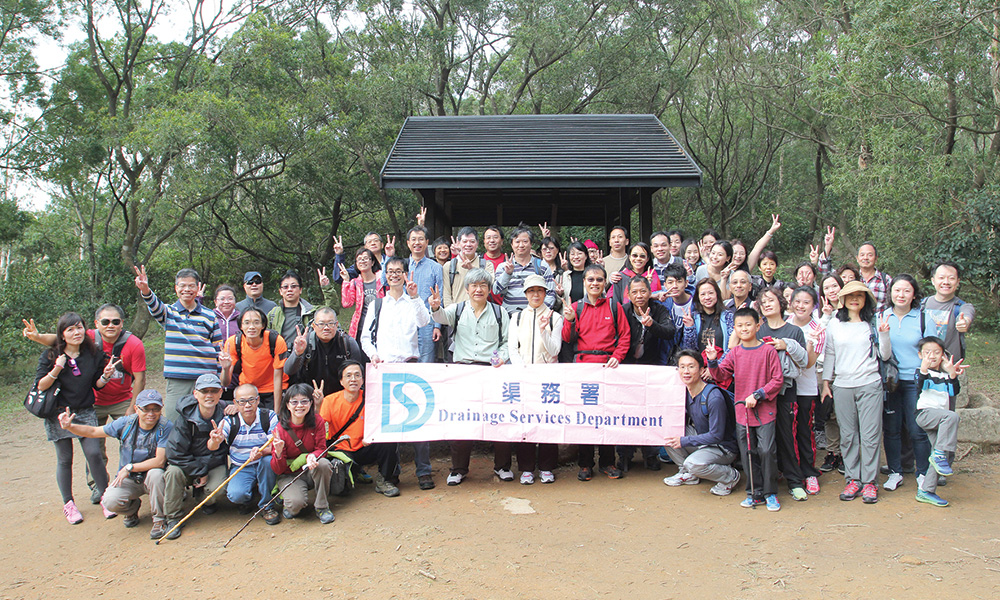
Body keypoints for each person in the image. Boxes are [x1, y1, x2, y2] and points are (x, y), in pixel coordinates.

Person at [23, 303, 147, 503]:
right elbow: (60, 339)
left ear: (122, 323)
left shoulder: (131, 344)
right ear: (97, 323)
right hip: (91, 402)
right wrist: (37, 337)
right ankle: (97, 487)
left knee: (134, 436)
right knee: (91, 451)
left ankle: (135, 479)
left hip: (119, 399)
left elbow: (140, 379)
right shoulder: (86, 337)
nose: (110, 325)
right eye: (105, 321)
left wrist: (132, 406)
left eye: (115, 321)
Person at [430, 268, 512, 484]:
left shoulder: (499, 312)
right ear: (467, 289)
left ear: (489, 289)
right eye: (474, 285)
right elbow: (440, 316)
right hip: (463, 372)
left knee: (499, 420)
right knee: (462, 420)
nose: (478, 289)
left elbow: (507, 341)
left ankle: (502, 467)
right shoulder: (457, 309)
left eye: (483, 285)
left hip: (492, 371)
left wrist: (501, 358)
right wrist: (435, 306)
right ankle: (458, 469)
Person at [35, 312, 118, 524]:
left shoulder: (93, 353)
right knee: (65, 459)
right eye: (70, 329)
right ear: (62, 334)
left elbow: (97, 385)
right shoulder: (51, 355)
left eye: (79, 327)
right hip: (59, 413)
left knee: (94, 454)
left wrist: (106, 376)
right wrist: (57, 368)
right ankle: (69, 504)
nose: (76, 333)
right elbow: (41, 386)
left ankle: (106, 497)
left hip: (85, 410)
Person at [56, 389, 173, 539]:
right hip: (129, 478)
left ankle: (159, 520)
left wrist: (130, 467)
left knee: (156, 474)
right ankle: (132, 509)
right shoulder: (126, 423)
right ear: (136, 409)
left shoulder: (165, 426)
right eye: (146, 409)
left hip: (151, 476)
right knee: (109, 501)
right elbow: (93, 432)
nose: (151, 413)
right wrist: (70, 427)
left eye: (156, 409)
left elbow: (159, 461)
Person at [362, 256, 436, 490]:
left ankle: (424, 471)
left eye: (398, 271)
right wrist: (373, 354)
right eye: (390, 271)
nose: (394, 275)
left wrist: (415, 297)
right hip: (384, 369)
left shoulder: (412, 300)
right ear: (385, 275)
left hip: (410, 366)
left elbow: (424, 322)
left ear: (405, 274)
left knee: (418, 419)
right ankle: (391, 473)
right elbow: (365, 337)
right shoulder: (377, 304)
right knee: (389, 424)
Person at [707, 307, 784, 511]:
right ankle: (753, 493)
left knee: (766, 450)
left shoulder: (768, 351)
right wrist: (712, 361)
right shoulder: (735, 353)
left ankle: (770, 493)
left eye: (748, 324)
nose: (744, 328)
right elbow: (721, 375)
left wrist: (759, 394)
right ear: (734, 329)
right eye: (740, 325)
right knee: (748, 452)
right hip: (743, 413)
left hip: (765, 411)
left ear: (758, 326)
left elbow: (777, 380)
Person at [562, 263, 630, 480]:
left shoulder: (614, 306)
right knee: (585, 417)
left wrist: (617, 356)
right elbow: (567, 338)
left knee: (606, 415)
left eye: (599, 279)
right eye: (590, 279)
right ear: (584, 282)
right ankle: (585, 464)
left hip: (608, 367)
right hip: (583, 367)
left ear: (605, 282)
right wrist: (569, 320)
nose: (595, 283)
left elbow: (625, 336)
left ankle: (608, 462)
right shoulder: (576, 307)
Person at [822, 281, 884, 504]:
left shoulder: (873, 323)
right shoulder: (834, 324)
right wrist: (826, 382)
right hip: (842, 385)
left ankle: (870, 482)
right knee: (848, 436)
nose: (855, 299)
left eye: (860, 295)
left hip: (870, 383)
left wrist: (884, 334)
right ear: (843, 299)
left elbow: (884, 354)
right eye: (850, 295)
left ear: (866, 299)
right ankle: (853, 479)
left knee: (870, 435)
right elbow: (830, 353)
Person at [134, 265, 221, 420]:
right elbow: (154, 305)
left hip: (206, 379)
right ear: (176, 288)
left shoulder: (209, 315)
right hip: (178, 379)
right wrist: (146, 290)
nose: (187, 289)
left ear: (198, 288)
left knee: (206, 421)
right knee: (175, 421)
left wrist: (219, 378)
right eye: (182, 285)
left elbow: (218, 348)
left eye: (191, 286)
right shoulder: (169, 313)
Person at [507, 274, 563, 484]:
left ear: (545, 293)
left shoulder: (554, 317)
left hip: (548, 378)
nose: (536, 294)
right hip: (524, 378)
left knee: (548, 421)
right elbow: (513, 348)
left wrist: (543, 331)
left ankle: (547, 467)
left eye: (539, 290)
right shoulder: (517, 317)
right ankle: (526, 468)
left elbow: (555, 350)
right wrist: (522, 371)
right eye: (531, 291)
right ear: (525, 294)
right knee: (525, 422)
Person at [662, 350, 741, 496]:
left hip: (723, 447)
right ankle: (687, 473)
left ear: (701, 370)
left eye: (691, 367)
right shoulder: (684, 392)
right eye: (682, 367)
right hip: (703, 440)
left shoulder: (713, 397)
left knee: (693, 463)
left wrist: (684, 441)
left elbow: (716, 435)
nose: (686, 371)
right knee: (668, 432)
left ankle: (729, 476)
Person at [617, 276, 676, 472]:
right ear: (628, 294)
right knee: (625, 413)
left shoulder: (659, 310)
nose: (639, 295)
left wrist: (652, 325)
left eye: (643, 291)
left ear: (650, 293)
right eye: (634, 292)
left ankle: (651, 454)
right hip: (625, 369)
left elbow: (670, 331)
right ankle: (624, 455)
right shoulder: (623, 310)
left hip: (651, 368)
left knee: (650, 413)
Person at [757, 286, 809, 502]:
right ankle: (768, 480)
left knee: (787, 436)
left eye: (771, 300)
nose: (767, 304)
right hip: (762, 393)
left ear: (781, 302)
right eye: (763, 302)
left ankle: (795, 481)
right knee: (766, 440)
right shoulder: (758, 331)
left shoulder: (794, 331)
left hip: (786, 392)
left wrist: (785, 346)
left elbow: (804, 361)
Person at [162, 373, 230, 539]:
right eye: (204, 391)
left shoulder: (226, 412)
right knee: (172, 472)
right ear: (195, 394)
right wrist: (200, 471)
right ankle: (173, 518)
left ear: (220, 393)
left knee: (218, 488)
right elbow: (174, 453)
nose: (209, 395)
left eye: (214, 391)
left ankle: (204, 499)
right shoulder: (185, 417)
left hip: (213, 463)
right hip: (188, 465)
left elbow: (252, 406)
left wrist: (236, 407)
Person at [877, 274, 927, 491]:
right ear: (890, 292)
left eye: (907, 290)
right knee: (892, 429)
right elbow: (883, 354)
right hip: (890, 382)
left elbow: (932, 348)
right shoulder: (882, 316)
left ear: (914, 294)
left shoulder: (923, 318)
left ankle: (923, 473)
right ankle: (895, 471)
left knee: (917, 429)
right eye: (897, 290)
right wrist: (884, 335)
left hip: (915, 381)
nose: (901, 295)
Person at [320, 361, 401, 497]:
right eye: (348, 376)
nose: (353, 379)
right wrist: (317, 406)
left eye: (357, 375)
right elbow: (320, 430)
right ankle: (353, 472)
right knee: (340, 491)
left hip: (365, 446)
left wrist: (371, 436)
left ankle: (384, 480)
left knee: (389, 440)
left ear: (363, 380)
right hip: (342, 450)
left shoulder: (370, 399)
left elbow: (382, 422)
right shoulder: (329, 401)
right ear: (341, 381)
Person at [207, 383, 280, 525]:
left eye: (251, 400)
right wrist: (215, 440)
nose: (247, 405)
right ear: (235, 403)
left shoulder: (269, 416)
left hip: (264, 462)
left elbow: (274, 444)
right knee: (236, 495)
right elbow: (212, 446)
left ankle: (267, 506)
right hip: (241, 466)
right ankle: (249, 498)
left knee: (267, 462)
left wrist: (262, 452)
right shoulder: (230, 421)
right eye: (242, 401)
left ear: (258, 400)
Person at [270, 383, 336, 524]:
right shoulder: (280, 430)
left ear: (311, 403)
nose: (299, 406)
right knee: (295, 507)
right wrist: (279, 453)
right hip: (290, 475)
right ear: (287, 405)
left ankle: (322, 506)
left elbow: (321, 449)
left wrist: (313, 455)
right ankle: (288, 500)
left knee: (323, 464)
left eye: (304, 401)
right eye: (294, 402)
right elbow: (278, 470)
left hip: (310, 469)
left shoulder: (317, 422)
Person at [913, 336, 966, 507]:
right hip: (925, 414)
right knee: (952, 416)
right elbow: (920, 384)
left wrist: (952, 373)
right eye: (927, 352)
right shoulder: (921, 372)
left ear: (943, 355)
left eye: (937, 352)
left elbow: (953, 392)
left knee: (945, 454)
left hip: (941, 420)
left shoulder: (944, 376)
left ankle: (926, 491)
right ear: (920, 355)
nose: (932, 356)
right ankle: (939, 455)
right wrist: (924, 368)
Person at [786, 286, 825, 496]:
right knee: (786, 432)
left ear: (814, 306)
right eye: (798, 301)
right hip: (784, 387)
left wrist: (810, 342)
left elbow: (809, 363)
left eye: (806, 302)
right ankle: (790, 471)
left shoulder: (818, 328)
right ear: (791, 302)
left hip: (805, 389)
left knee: (804, 431)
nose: (801, 306)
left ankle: (809, 472)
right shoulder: (784, 322)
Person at [284, 306, 365, 395]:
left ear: (336, 324)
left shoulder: (347, 343)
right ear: (314, 325)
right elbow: (288, 371)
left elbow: (358, 375)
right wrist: (298, 353)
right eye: (321, 324)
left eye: (330, 323)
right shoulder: (305, 342)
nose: (326, 328)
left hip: (340, 396)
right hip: (310, 395)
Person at [220, 308, 288, 410]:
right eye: (247, 323)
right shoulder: (233, 342)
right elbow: (225, 383)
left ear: (263, 325)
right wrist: (225, 368)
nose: (251, 327)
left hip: (272, 389)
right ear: (241, 326)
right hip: (248, 390)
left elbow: (278, 377)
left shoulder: (276, 340)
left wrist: (277, 412)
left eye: (256, 322)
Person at [493, 225, 556, 313]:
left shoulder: (542, 266)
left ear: (531, 244)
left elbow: (551, 293)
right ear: (512, 244)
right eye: (517, 242)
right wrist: (507, 274)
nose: (521, 245)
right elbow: (496, 290)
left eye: (525, 241)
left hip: (536, 317)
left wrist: (540, 312)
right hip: (510, 317)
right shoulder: (503, 267)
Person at [921, 261, 975, 364]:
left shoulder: (961, 307)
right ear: (933, 281)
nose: (946, 282)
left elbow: (967, 315)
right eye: (941, 278)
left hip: (950, 367)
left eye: (951, 278)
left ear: (958, 282)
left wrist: (965, 322)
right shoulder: (921, 306)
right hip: (923, 366)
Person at [817, 273, 844, 474]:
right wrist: (826, 315)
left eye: (834, 286)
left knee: (845, 414)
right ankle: (833, 452)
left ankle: (846, 453)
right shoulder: (821, 314)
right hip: (823, 369)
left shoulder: (851, 310)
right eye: (826, 288)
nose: (831, 290)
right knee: (829, 414)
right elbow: (818, 337)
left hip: (844, 369)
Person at [442, 226, 496, 308]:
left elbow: (490, 285)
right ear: (459, 243)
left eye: (472, 241)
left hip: (480, 311)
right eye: (464, 241)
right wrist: (451, 313)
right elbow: (446, 294)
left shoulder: (486, 264)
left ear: (477, 244)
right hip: (457, 312)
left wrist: (472, 269)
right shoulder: (449, 266)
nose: (468, 244)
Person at [340, 248, 385, 342]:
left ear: (372, 262)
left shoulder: (382, 281)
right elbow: (347, 303)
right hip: (361, 327)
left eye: (365, 258)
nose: (362, 261)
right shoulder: (355, 283)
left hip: (382, 325)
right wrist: (346, 281)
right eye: (359, 259)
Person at [681, 278, 735, 357]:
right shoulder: (693, 318)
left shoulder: (728, 316)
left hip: (723, 363)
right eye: (703, 294)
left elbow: (732, 347)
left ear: (717, 294)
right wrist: (689, 328)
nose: (707, 297)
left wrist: (717, 364)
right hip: (700, 363)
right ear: (698, 297)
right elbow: (689, 349)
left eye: (711, 293)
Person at [267, 270, 319, 347]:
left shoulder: (311, 312)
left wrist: (326, 287)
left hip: (304, 352)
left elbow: (332, 309)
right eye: (285, 287)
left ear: (300, 290)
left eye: (293, 286)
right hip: (279, 353)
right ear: (280, 291)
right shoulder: (273, 314)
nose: (289, 289)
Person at [856, 242, 892, 312]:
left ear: (876, 258)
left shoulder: (886, 280)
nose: (865, 258)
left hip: (879, 318)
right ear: (857, 258)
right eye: (862, 255)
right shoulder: (853, 278)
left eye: (870, 255)